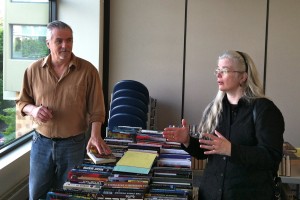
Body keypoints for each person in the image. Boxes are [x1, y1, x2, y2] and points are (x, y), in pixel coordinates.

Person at [163, 50, 285, 200]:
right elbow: (204, 153)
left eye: (225, 70)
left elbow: (271, 157)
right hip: (210, 194)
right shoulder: (214, 109)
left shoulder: (264, 109)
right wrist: (187, 140)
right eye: (217, 70)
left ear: (243, 77)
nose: (218, 75)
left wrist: (231, 150)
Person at [16, 20, 111, 200]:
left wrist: (95, 135)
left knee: (69, 194)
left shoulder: (88, 70)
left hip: (74, 145)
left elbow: (97, 108)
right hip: (41, 144)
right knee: (36, 194)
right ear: (48, 43)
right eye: (59, 41)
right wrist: (34, 110)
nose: (65, 45)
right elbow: (22, 103)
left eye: (69, 40)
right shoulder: (33, 70)